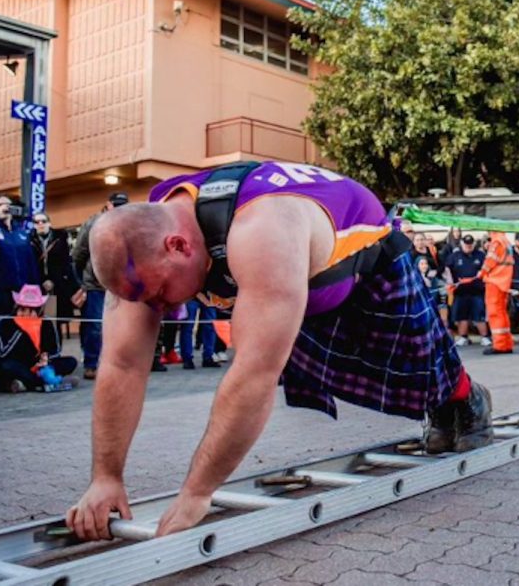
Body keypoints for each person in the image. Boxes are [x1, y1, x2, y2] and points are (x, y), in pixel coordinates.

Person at [65, 161, 492, 541]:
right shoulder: (139, 244)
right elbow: (121, 364)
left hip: (368, 260)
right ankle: (443, 404)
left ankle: (466, 400)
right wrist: (105, 477)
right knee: (297, 346)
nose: (162, 308)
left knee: (419, 361)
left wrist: (197, 493)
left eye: (159, 293)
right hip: (295, 285)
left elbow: (252, 375)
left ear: (179, 246)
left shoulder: (262, 230)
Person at [73, 192, 159, 378]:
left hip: (122, 286)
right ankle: (92, 364)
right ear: (108, 205)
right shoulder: (94, 223)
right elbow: (79, 254)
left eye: (123, 205)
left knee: (124, 326)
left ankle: (121, 363)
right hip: (95, 284)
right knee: (95, 326)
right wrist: (82, 283)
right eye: (117, 204)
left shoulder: (132, 225)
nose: (120, 208)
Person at [0, 284, 79, 393]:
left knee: (70, 362)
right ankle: (43, 383)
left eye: (28, 310)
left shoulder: (46, 323)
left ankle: (27, 383)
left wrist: (45, 358)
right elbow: (2, 353)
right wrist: (23, 329)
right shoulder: (3, 322)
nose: (22, 313)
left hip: (38, 365)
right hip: (15, 363)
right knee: (6, 367)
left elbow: (55, 350)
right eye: (20, 308)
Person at [0, 195, 38, 319]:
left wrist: (35, 286)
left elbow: (30, 261)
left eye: (8, 204)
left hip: (21, 290)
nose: (5, 207)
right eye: (0, 205)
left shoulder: (21, 232)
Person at [30, 212, 79, 323]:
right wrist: (42, 280)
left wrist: (52, 280)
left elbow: (65, 262)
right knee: (40, 322)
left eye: (43, 221)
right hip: (37, 286)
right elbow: (30, 264)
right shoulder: (29, 240)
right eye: (37, 222)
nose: (40, 224)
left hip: (57, 285)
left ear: (49, 223)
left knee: (54, 321)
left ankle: (56, 340)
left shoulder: (60, 238)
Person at [445, 234, 490, 347]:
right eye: (466, 244)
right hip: (460, 291)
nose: (468, 246)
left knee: (479, 315)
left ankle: (484, 337)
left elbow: (488, 269)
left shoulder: (481, 255)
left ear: (474, 244)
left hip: (477, 291)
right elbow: (447, 269)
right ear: (462, 243)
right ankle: (463, 337)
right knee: (462, 316)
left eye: (470, 244)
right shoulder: (455, 256)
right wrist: (450, 281)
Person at [478, 231, 514, 355]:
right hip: (503, 282)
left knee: (494, 313)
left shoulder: (496, 241)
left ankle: (499, 345)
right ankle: (506, 343)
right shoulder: (506, 241)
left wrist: (481, 272)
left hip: (495, 281)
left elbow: (490, 260)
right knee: (502, 313)